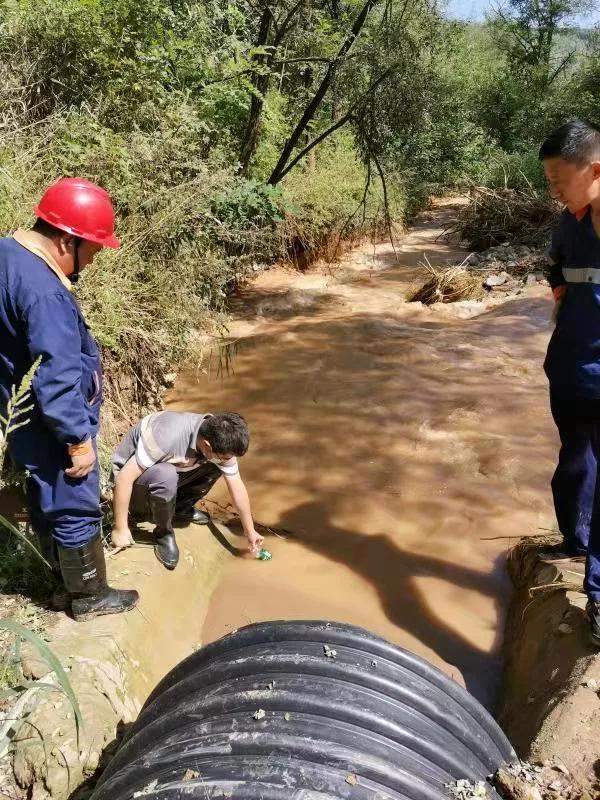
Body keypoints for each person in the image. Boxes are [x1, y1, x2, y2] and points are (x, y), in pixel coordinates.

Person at [0, 178, 139, 620]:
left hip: (19, 411)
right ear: (66, 240)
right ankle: (90, 595)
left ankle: (60, 588)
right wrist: (77, 437)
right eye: (93, 251)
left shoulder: (8, 255)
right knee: (74, 497)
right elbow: (57, 372)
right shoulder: (45, 291)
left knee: (46, 493)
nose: (93, 261)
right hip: (51, 418)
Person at [539, 119, 600, 644]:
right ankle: (573, 540)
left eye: (560, 178)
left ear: (595, 170)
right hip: (569, 370)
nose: (553, 188)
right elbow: (556, 270)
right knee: (573, 462)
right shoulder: (567, 221)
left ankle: (598, 596)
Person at [110, 411, 264, 569]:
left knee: (217, 467)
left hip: (165, 472)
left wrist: (249, 531)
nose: (228, 460)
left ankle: (181, 507)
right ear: (207, 446)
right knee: (166, 475)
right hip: (134, 485)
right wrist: (120, 528)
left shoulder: (214, 439)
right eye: (225, 457)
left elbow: (237, 487)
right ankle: (163, 533)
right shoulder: (166, 436)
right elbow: (123, 479)